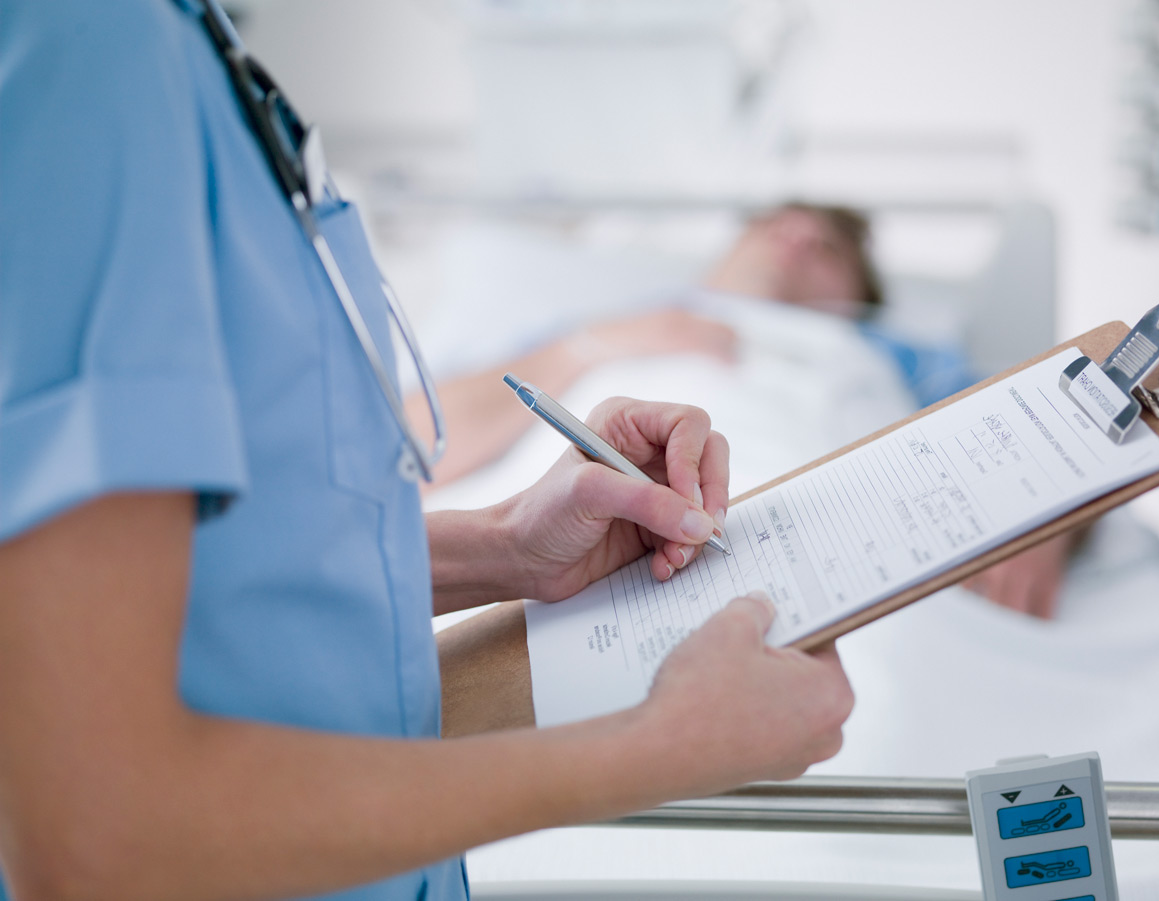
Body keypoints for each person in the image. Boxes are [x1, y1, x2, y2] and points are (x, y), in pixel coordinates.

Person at [0, 3, 854, 900]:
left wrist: (501, 545)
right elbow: (97, 836)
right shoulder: (94, 51)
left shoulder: (180, 59)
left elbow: (226, 582)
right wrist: (658, 748)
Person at [415, 203, 1080, 620]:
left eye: (826, 249)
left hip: (843, 546)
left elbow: (1035, 424)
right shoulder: (606, 326)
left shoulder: (891, 353)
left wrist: (1054, 508)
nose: (795, 239)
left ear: (857, 295)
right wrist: (589, 346)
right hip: (565, 554)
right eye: (775, 225)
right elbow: (411, 442)